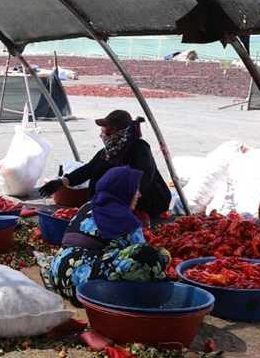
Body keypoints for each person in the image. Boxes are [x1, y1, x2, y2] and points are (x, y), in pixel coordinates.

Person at [40, 166, 171, 306]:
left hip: (58, 275)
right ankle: (91, 296)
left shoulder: (88, 205)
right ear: (124, 190)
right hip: (81, 283)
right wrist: (163, 257)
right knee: (148, 255)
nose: (139, 195)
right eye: (136, 189)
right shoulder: (126, 218)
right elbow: (139, 253)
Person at [38, 109, 172, 219]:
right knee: (100, 167)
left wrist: (127, 196)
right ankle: (100, 208)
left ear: (117, 130)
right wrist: (60, 182)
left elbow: (146, 175)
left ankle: (139, 214)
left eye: (107, 127)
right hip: (119, 200)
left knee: (129, 176)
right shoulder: (109, 151)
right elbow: (87, 170)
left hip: (146, 197)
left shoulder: (139, 147)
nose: (103, 131)